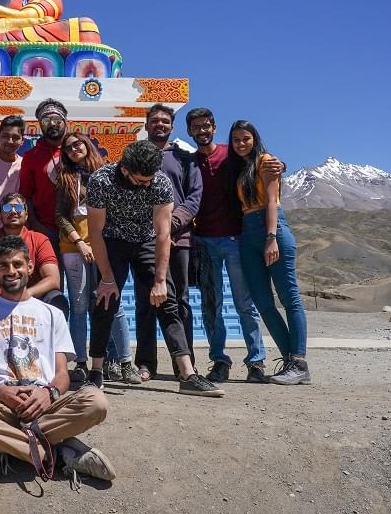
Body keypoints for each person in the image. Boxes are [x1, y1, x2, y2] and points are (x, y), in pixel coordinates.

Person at [0, 235, 115, 484]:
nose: (11, 271)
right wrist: (0, 392)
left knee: (96, 402)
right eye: (3, 265)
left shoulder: (52, 315)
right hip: (0, 405)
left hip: (45, 403)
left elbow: (62, 375)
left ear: (29, 267)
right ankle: (55, 453)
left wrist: (49, 393)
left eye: (17, 264)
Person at [87, 140, 223, 397]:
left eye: (150, 179)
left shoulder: (160, 182)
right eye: (141, 180)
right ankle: (95, 372)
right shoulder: (101, 180)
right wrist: (106, 278)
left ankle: (187, 374)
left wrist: (160, 280)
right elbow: (95, 231)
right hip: (112, 241)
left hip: (147, 240)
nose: (147, 184)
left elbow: (163, 233)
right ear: (126, 170)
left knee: (167, 300)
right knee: (105, 300)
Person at [187, 108, 273, 384]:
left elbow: (257, 163)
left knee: (244, 304)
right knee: (211, 306)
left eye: (206, 126)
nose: (202, 131)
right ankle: (219, 361)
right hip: (204, 242)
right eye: (196, 127)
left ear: (214, 127)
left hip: (236, 239)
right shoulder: (189, 163)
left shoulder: (230, 155)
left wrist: (277, 164)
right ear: (189, 132)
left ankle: (256, 363)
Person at [227, 121, 311, 385]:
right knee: (263, 303)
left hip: (271, 230)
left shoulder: (266, 162)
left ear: (255, 139)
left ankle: (299, 362)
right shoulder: (239, 168)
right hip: (247, 234)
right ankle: (290, 362)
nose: (241, 143)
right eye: (236, 140)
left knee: (289, 298)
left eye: (246, 138)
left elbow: (272, 202)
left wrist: (271, 238)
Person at [54, 132, 136, 385]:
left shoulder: (110, 174)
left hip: (105, 247)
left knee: (113, 304)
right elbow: (60, 214)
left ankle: (125, 362)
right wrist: (79, 242)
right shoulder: (65, 178)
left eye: (77, 144)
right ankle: (80, 363)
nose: (73, 149)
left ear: (87, 144)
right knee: (79, 307)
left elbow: (120, 210)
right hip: (72, 248)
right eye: (68, 148)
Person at [133, 104, 202, 382]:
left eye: (165, 121)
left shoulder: (185, 159)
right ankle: (146, 363)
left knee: (180, 301)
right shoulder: (135, 155)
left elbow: (194, 197)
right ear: (146, 125)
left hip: (179, 239)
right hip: (144, 240)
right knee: (145, 300)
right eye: (155, 121)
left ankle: (184, 364)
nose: (160, 125)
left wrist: (170, 225)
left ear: (171, 127)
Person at [21, 99, 68, 246]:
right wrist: (36, 225)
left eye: (56, 119)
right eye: (46, 120)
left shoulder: (78, 149)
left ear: (66, 121)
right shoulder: (31, 156)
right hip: (46, 231)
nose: (52, 123)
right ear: (40, 124)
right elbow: (26, 196)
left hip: (81, 229)